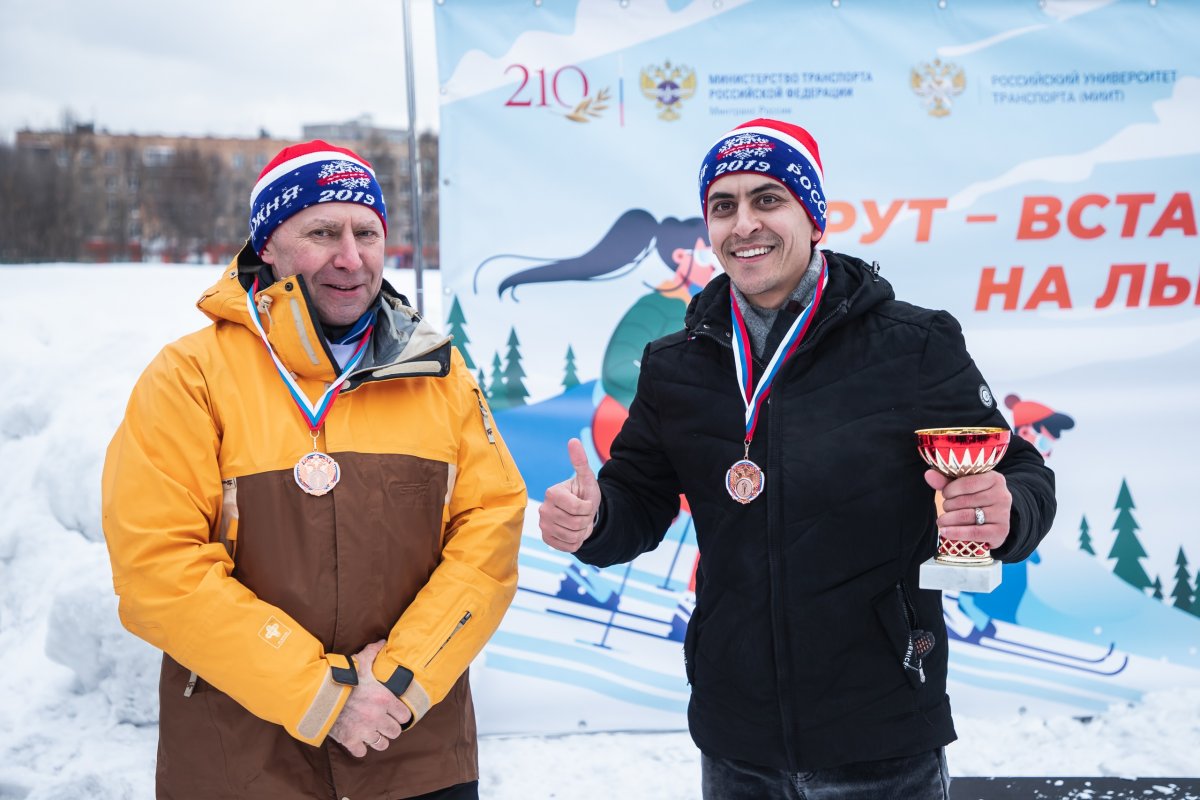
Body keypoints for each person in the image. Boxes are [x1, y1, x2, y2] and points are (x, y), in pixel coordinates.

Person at [538, 118, 1056, 799]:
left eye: (768, 199)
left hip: (884, 732)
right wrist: (594, 519)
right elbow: (638, 495)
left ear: (814, 217)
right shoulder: (677, 364)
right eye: (723, 207)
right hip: (737, 740)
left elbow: (1020, 472)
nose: (744, 223)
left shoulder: (914, 346)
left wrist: (1006, 511)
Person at [101, 140, 526, 800]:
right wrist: (321, 694)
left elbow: (489, 534)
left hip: (411, 748)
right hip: (239, 759)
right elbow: (156, 567)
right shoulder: (189, 376)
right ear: (267, 244)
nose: (350, 258)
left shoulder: (440, 376)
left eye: (367, 233)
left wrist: (400, 679)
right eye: (322, 232)